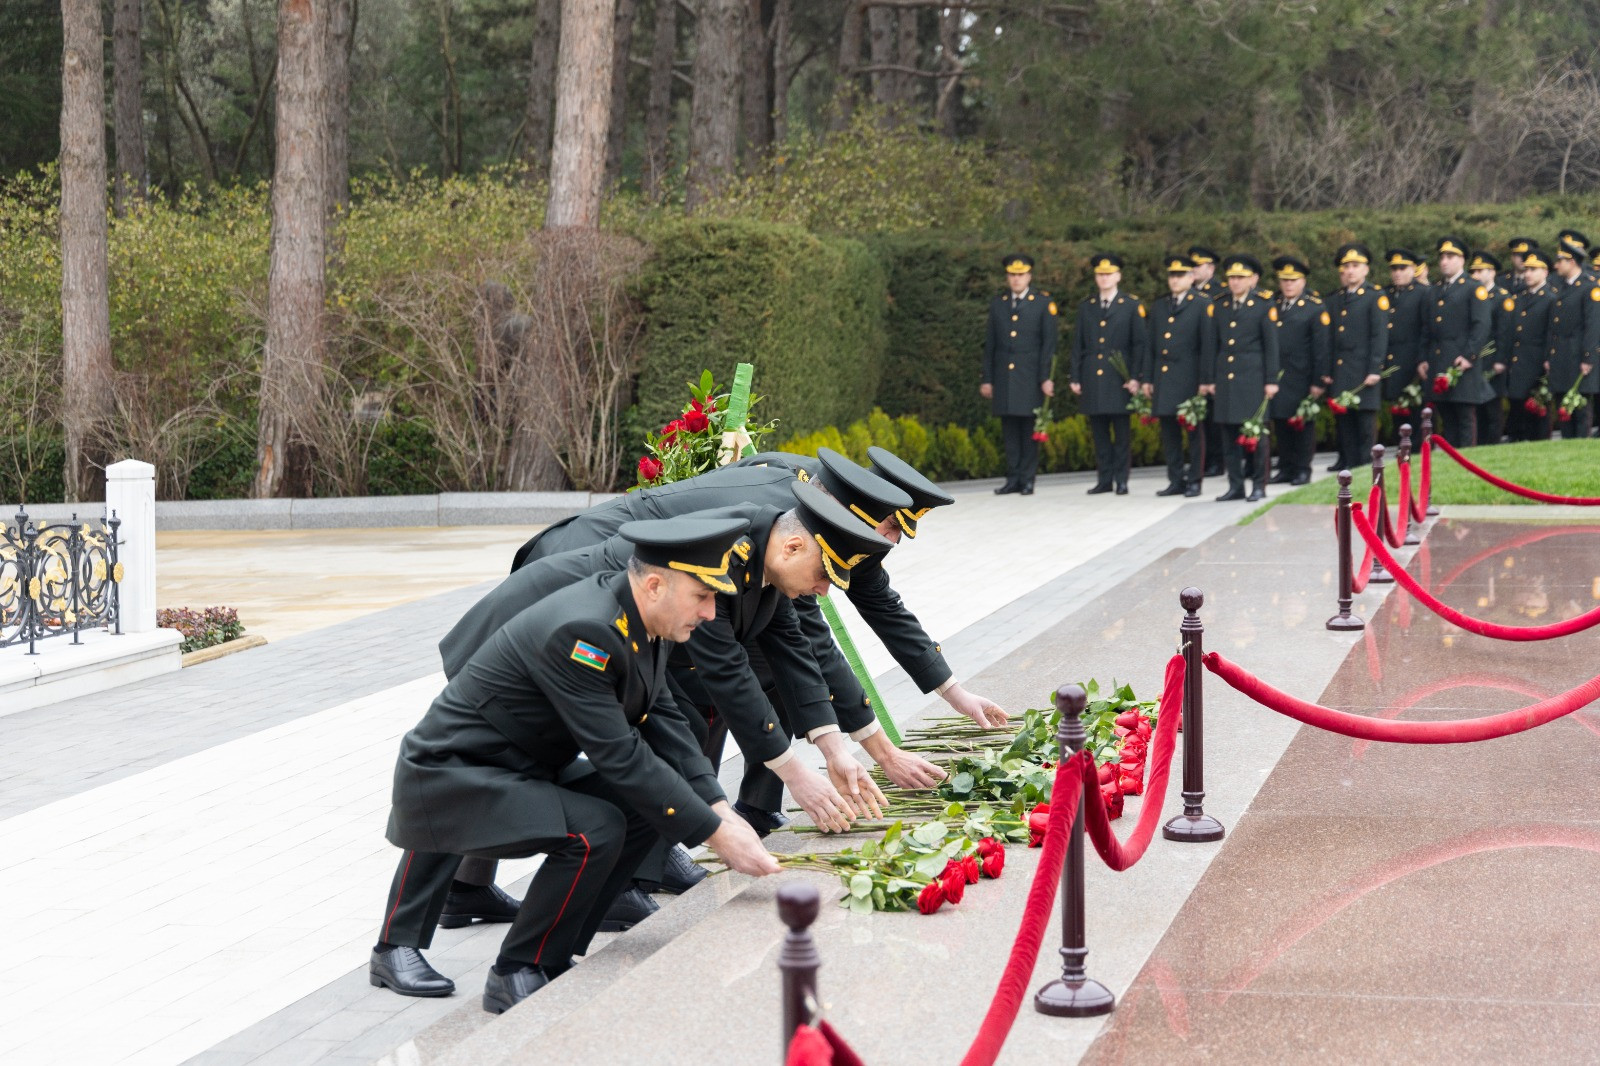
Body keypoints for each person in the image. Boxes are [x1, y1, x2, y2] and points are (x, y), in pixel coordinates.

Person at [383, 517, 782, 1014]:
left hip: (520, 764)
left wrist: (718, 805)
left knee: (637, 808)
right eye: (702, 596)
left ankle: (553, 953)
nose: (710, 612)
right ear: (655, 584)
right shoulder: (586, 631)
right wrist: (714, 833)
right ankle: (514, 971)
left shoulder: (642, 618)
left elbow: (663, 718)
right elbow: (618, 753)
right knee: (593, 828)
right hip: (452, 772)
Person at [511, 449, 1007, 734]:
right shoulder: (792, 519)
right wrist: (867, 741)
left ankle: (734, 815)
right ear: (861, 511)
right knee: (553, 717)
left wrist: (952, 691)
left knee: (733, 686)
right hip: (590, 561)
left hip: (652, 582)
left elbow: (884, 607)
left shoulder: (841, 522)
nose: (891, 543)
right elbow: (807, 640)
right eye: (890, 529)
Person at [982, 254, 1059, 496]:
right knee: (1010, 432)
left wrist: (1045, 377)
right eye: (1012, 275)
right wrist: (987, 378)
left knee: (1028, 432)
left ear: (1029, 276)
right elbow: (990, 345)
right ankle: (1013, 479)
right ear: (1007, 277)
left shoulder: (1043, 302)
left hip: (1030, 377)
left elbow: (1049, 344)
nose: (1016, 279)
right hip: (1004, 376)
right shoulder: (999, 303)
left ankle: (1027, 480)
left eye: (1021, 275)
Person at [1071, 253, 1147, 495]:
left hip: (1119, 377)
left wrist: (1135, 376)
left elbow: (1139, 345)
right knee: (1099, 433)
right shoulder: (1087, 306)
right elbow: (1078, 345)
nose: (1104, 278)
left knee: (1121, 432)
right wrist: (1075, 376)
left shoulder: (1131, 305)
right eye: (1100, 274)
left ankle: (1122, 479)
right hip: (1093, 375)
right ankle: (1104, 479)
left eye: (1108, 274)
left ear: (1118, 276)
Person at [1207, 254, 1279, 502]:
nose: (1235, 282)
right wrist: (1210, 379)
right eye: (1232, 278)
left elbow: (1271, 346)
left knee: (1256, 436)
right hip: (1226, 378)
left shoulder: (1263, 304)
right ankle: (1235, 486)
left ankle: (1259, 485)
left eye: (1241, 277)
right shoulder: (1220, 304)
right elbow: (1212, 344)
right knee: (1228, 435)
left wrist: (1271, 381)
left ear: (1252, 280)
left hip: (1253, 378)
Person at [1145, 254, 1214, 497]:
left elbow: (1207, 346)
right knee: (1169, 433)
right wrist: (1148, 379)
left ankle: (1195, 479)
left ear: (1192, 277)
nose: (1175, 280)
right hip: (1164, 378)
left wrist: (1205, 380)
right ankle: (1175, 479)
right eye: (1172, 276)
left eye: (1180, 275)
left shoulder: (1203, 304)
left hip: (1189, 378)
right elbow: (1150, 345)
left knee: (1194, 433)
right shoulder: (1160, 305)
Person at [1322, 243, 1389, 472]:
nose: (1350, 271)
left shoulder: (1374, 297)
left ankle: (1365, 466)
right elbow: (1330, 339)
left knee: (1364, 424)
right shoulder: (1335, 299)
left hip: (1363, 370)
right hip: (1341, 371)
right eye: (1346, 266)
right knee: (1344, 422)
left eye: (1355, 266)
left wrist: (1375, 369)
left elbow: (1379, 336)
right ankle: (1348, 464)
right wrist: (1328, 371)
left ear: (1366, 269)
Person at [1423, 236, 1493, 447]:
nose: (1444, 261)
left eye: (1450, 256)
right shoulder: (1435, 290)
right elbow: (1428, 328)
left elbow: (1481, 325)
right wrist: (1423, 358)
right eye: (1442, 257)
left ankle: (1467, 463)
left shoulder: (1473, 288)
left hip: (1462, 362)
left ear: (1462, 260)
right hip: (1440, 360)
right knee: (1446, 418)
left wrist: (1470, 355)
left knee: (1464, 417)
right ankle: (1450, 461)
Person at [1268, 255, 1330, 485]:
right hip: (1279, 376)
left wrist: (1318, 381)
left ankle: (1303, 468)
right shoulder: (1273, 305)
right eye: (1284, 280)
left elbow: (1321, 348)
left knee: (1303, 424)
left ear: (1302, 282)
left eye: (1293, 280)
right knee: (1281, 423)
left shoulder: (1314, 308)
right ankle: (1285, 467)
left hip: (1303, 377)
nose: (1288, 285)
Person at [1546, 240, 1600, 439]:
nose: (1556, 265)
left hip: (1578, 357)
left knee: (1580, 409)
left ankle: (1581, 446)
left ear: (1572, 262)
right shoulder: (1562, 288)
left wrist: (1588, 358)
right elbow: (1554, 327)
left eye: (1560, 260)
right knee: (1563, 406)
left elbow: (1593, 326)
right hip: (1561, 356)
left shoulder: (1589, 288)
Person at [1504, 248, 1558, 442]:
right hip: (1518, 364)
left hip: (1537, 364)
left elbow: (1551, 333)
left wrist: (1547, 360)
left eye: (1533, 269)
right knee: (1517, 409)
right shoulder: (1519, 298)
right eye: (1526, 269)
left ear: (1545, 272)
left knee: (1537, 413)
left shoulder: (1551, 298)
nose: (1528, 274)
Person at [1382, 249, 1431, 438]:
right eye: (1394, 269)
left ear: (1413, 270)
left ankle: (1421, 450)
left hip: (1414, 362)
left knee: (1418, 414)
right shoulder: (1385, 293)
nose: (1397, 273)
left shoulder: (1424, 293)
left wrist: (1422, 359)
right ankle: (1404, 451)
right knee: (1398, 413)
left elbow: (1427, 329)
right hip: (1393, 362)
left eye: (1402, 268)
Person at [1188, 245, 1226, 476]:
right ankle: (1202, 461)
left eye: (1198, 265)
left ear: (1210, 268)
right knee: (1198, 417)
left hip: (1214, 363)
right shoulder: (1188, 294)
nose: (1193, 270)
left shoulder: (1219, 293)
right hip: (1193, 363)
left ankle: (1216, 460)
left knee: (1214, 417)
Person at [1470, 251, 1513, 445]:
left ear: (1492, 272)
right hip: (1477, 360)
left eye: (1480, 271)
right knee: (1478, 407)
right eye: (1474, 271)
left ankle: (1493, 443)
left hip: (1493, 360)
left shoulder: (1501, 297)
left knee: (1493, 408)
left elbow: (1504, 332)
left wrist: (1500, 360)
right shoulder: (1473, 296)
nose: (1476, 275)